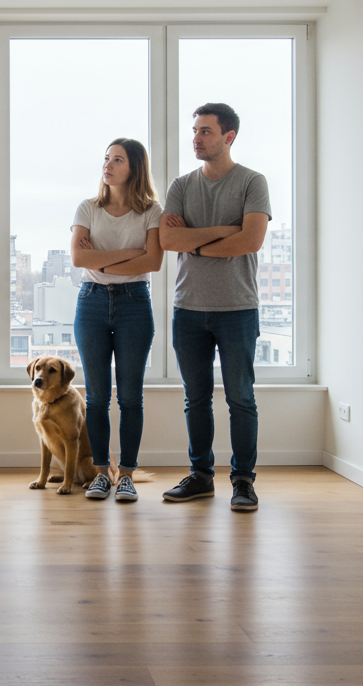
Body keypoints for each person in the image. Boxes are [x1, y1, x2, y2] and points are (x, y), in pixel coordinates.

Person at [158, 103, 270, 512]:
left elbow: (250, 241)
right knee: (196, 398)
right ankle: (201, 477)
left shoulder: (252, 182)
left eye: (205, 131)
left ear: (229, 137)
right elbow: (169, 242)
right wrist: (224, 232)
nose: (196, 138)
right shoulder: (181, 186)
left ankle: (243, 481)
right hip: (188, 308)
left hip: (238, 307)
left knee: (241, 398)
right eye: (195, 131)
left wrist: (195, 241)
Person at [69, 138, 164, 503]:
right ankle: (99, 474)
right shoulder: (88, 208)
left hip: (134, 304)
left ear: (134, 168)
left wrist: (103, 260)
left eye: (117, 159)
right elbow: (79, 258)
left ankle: (126, 475)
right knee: (96, 398)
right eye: (106, 159)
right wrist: (129, 255)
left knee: (130, 398)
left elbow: (152, 262)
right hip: (91, 304)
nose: (107, 165)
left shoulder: (151, 212)